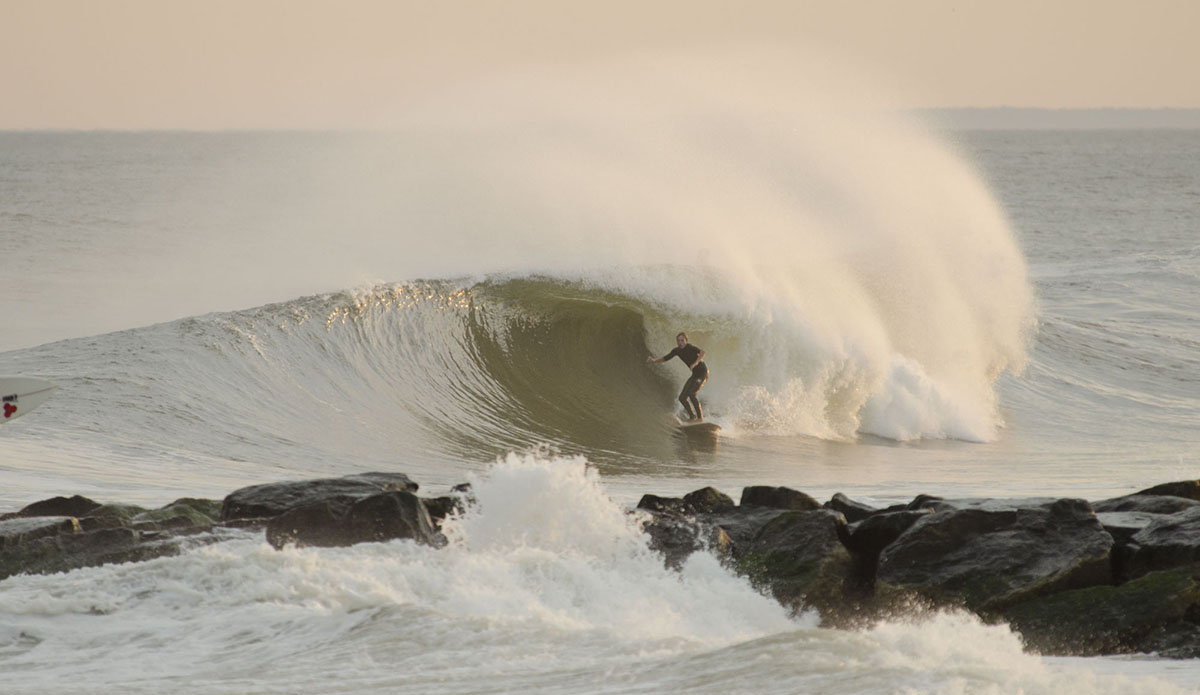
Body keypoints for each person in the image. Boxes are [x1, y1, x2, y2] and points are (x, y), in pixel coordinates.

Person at [647, 332, 708, 422]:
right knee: (682, 398)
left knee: (691, 393)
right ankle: (692, 416)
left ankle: (700, 418)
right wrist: (654, 360)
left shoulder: (690, 347)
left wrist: (695, 363)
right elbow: (665, 358)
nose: (680, 342)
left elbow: (703, 352)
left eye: (682, 340)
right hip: (695, 375)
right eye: (678, 341)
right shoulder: (677, 351)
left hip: (703, 373)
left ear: (686, 341)